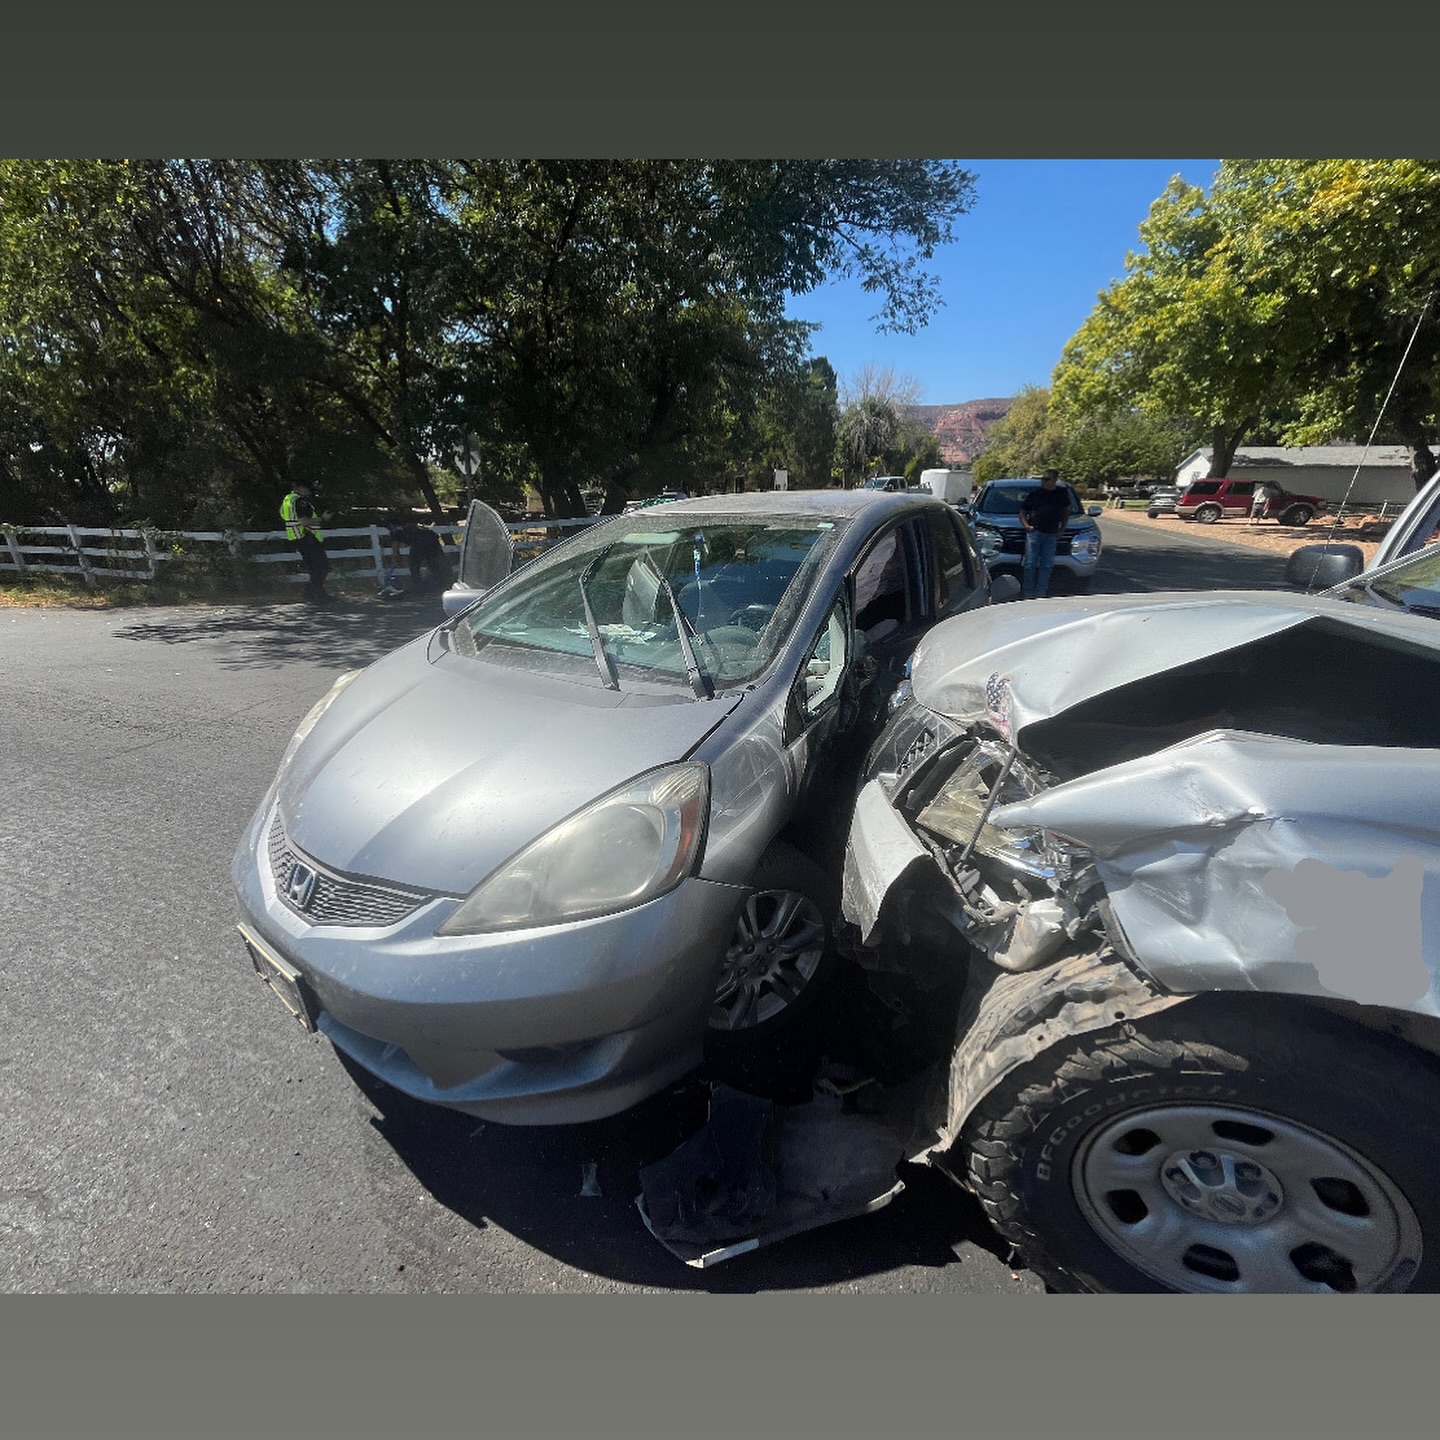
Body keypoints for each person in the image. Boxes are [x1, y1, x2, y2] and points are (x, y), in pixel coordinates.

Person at [1019, 468, 1071, 599]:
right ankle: (1028, 594)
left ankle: (1041, 594)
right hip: (1035, 533)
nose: (1043, 481)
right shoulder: (1036, 494)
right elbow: (1022, 512)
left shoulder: (1062, 493)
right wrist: (1026, 526)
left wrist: (1062, 528)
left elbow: (1066, 511)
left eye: (1046, 479)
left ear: (1054, 480)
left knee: (1047, 565)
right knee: (1030, 563)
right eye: (1042, 479)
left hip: (1052, 534)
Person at [280, 483, 332, 603]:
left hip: (296, 536)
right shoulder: (300, 502)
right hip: (305, 536)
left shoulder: (288, 500)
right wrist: (323, 518)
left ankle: (310, 592)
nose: (309, 492)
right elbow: (304, 522)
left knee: (316, 566)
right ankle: (317, 594)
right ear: (300, 489)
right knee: (320, 566)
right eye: (307, 489)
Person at [386, 515, 454, 594]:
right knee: (433, 564)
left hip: (418, 544)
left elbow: (395, 549)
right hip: (432, 540)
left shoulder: (395, 532)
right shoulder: (411, 527)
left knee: (414, 566)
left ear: (391, 525)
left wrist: (394, 561)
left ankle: (418, 587)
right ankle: (440, 586)